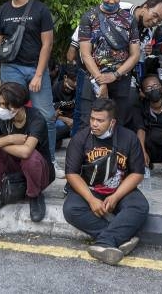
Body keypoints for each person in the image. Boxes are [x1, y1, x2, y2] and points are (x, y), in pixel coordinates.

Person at [63, 98, 148, 265]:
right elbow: (71, 174)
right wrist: (91, 199)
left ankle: (104, 243)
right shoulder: (80, 138)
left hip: (120, 189)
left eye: (100, 120)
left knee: (140, 206)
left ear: (112, 122)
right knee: (71, 209)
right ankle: (118, 238)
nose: (94, 124)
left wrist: (116, 197)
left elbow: (138, 173)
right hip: (90, 188)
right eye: (92, 119)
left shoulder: (129, 138)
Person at [0, 0, 57, 163]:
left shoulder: (40, 10)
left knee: (46, 115)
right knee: (8, 111)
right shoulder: (3, 10)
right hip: (11, 67)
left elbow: (47, 44)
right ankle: (11, 157)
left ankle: (49, 160)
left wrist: (39, 74)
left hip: (36, 68)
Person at [0, 82, 54, 222]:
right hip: (14, 169)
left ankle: (34, 195)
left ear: (17, 104)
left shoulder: (36, 119)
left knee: (31, 157)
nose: (1, 108)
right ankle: (7, 192)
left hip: (40, 173)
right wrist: (9, 139)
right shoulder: (1, 119)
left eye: (5, 104)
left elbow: (25, 151)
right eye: (0, 104)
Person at [77, 0, 140, 131]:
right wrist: (101, 81)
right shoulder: (89, 17)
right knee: (89, 124)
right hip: (93, 79)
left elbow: (135, 55)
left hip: (120, 80)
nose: (111, 1)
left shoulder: (129, 19)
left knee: (118, 126)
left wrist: (115, 75)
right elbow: (85, 54)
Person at [51, 64, 77, 144]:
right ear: (65, 77)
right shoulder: (56, 89)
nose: (76, 83)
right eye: (73, 80)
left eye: (77, 80)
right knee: (59, 126)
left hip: (75, 120)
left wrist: (74, 121)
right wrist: (66, 119)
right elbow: (52, 114)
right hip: (61, 119)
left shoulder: (79, 89)